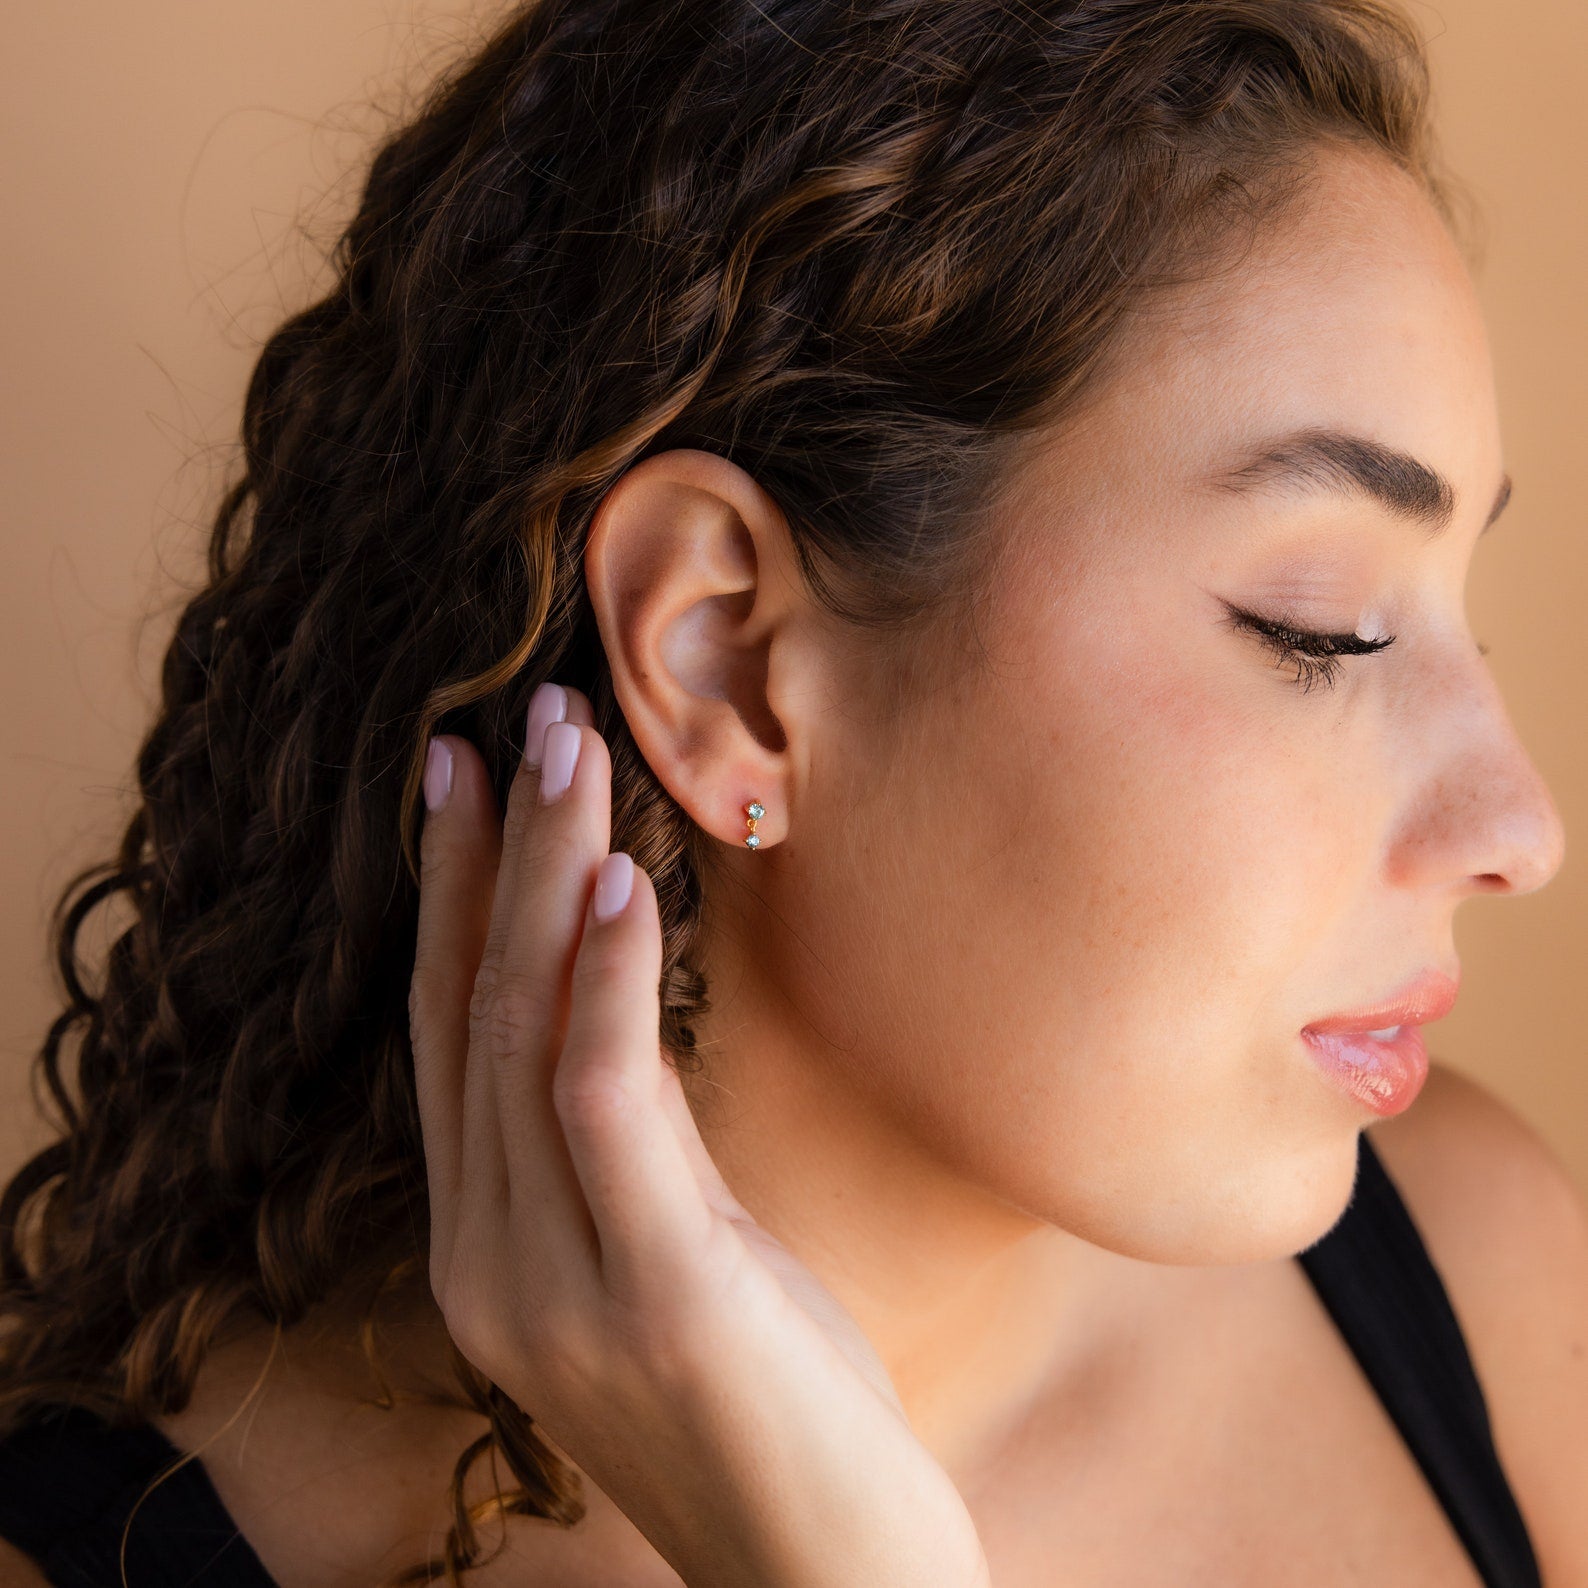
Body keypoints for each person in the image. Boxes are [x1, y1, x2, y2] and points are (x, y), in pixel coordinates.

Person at [1, 0, 1585, 1583]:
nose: (1522, 829)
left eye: (1463, 610)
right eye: (1326, 629)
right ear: (728, 661)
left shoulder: (1482, 1262)